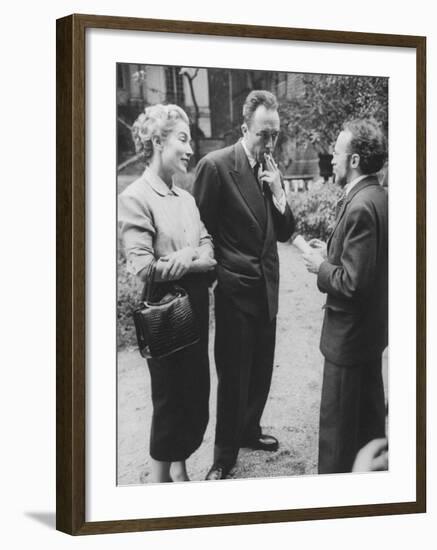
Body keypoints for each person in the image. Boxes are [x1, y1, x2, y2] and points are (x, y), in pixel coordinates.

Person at [193, 90, 295, 480]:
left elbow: (284, 232)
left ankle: (249, 430)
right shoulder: (216, 166)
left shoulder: (271, 169)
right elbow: (200, 229)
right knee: (234, 376)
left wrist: (279, 193)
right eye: (263, 135)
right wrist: (222, 273)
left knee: (261, 371)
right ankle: (223, 456)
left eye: (275, 135)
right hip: (236, 293)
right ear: (244, 128)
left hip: (267, 288)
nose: (270, 143)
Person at [118, 104, 216, 483]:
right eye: (183, 138)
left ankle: (181, 469)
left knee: (194, 398)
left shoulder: (187, 198)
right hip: (163, 312)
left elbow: (209, 251)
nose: (191, 148)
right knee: (169, 403)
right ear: (158, 141)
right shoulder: (135, 197)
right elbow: (143, 266)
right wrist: (193, 260)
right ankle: (160, 490)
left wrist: (188, 254)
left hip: (194, 308)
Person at [303, 119, 388, 474]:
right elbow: (367, 266)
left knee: (338, 441)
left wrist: (321, 266)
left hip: (348, 342)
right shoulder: (378, 197)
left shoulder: (360, 206)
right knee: (368, 429)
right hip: (368, 339)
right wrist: (332, 253)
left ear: (353, 160)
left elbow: (353, 284)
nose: (331, 159)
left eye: (336, 153)